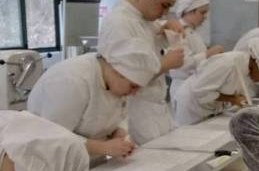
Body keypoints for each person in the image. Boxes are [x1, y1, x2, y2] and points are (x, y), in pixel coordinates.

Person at [28, 17, 161, 158]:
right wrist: (102, 147)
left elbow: (118, 113)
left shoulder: (114, 79)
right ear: (116, 71)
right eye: (133, 86)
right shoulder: (72, 80)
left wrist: (119, 131)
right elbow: (53, 137)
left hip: (90, 160)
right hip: (50, 161)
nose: (134, 93)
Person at [98, 0, 185, 145]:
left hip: (156, 109)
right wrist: (166, 64)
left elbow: (148, 45)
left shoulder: (144, 19)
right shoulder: (119, 22)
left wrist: (165, 29)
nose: (163, 13)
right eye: (163, 6)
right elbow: (126, 76)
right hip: (134, 111)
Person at [173, 37, 259, 125]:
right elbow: (199, 91)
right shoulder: (226, 63)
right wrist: (233, 99)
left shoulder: (246, 67)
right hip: (191, 107)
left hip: (209, 109)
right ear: (257, 64)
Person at [167, 0, 225, 103]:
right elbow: (181, 64)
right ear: (189, 12)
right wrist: (208, 54)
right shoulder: (178, 31)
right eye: (202, 13)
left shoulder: (192, 32)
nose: (205, 17)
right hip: (183, 88)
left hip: (194, 86)